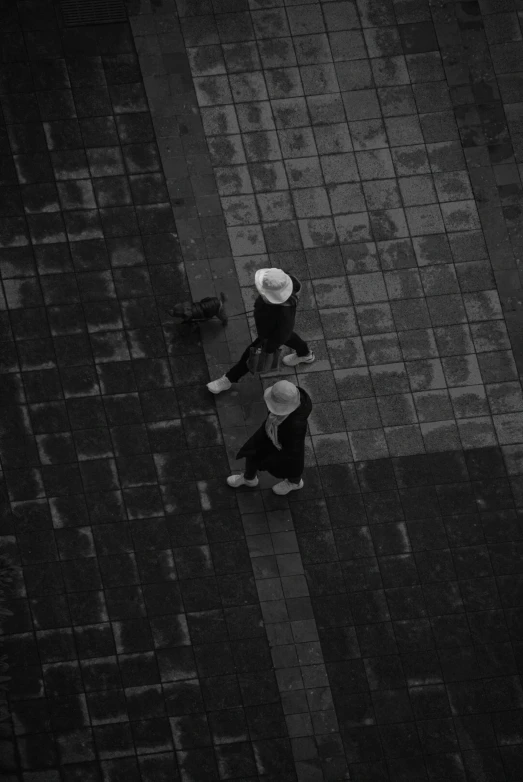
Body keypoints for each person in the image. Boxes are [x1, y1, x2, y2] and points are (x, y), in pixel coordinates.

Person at [207, 268, 315, 394]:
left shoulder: (284, 314)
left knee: (250, 355)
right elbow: (284, 333)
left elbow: (282, 335)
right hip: (270, 328)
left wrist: (267, 349)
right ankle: (305, 354)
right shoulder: (281, 285)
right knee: (289, 336)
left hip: (268, 334)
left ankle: (229, 379)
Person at [227, 379, 311, 496]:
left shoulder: (296, 426)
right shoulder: (294, 397)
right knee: (252, 453)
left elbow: (293, 449)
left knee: (291, 466)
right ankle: (249, 478)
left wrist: (274, 457)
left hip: (283, 445)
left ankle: (294, 483)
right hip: (270, 433)